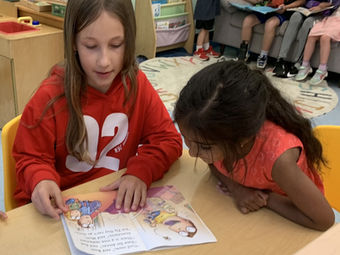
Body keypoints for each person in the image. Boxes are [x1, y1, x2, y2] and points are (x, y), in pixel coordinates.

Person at [12, 0, 182, 220]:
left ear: (128, 41)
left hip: (116, 211)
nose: (104, 61)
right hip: (63, 212)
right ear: (73, 42)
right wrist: (41, 179)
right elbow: (29, 158)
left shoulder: (137, 85)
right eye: (91, 46)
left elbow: (168, 140)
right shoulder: (50, 96)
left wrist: (142, 171)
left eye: (116, 45)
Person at [174, 60, 334, 231]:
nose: (192, 153)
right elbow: (215, 164)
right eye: (187, 139)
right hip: (247, 219)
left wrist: (265, 198)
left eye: (203, 147)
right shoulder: (214, 136)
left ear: (243, 139)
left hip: (288, 224)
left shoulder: (279, 160)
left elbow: (323, 220)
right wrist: (237, 189)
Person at [273, 0, 335, 78]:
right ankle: (281, 60)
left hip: (322, 14)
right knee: (295, 16)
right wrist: (286, 7)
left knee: (308, 22)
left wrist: (320, 7)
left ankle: (298, 63)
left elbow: (333, 4)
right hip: (306, 10)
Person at [238, 0, 305, 68]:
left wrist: (286, 7)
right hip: (266, 9)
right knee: (247, 20)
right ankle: (243, 51)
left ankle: (263, 56)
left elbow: (301, 1)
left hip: (283, 11)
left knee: (270, 24)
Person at [295, 1, 340, 85]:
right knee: (312, 36)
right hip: (330, 19)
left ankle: (322, 69)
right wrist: (324, 6)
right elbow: (332, 5)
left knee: (325, 37)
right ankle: (305, 65)